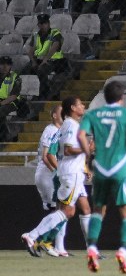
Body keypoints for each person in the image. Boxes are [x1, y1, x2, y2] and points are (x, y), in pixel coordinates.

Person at [77, 81, 126, 274]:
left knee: (98, 211)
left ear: (105, 97)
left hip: (101, 169)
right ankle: (122, 251)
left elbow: (82, 135)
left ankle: (92, 248)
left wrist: (88, 155)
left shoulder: (92, 114)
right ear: (122, 98)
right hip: (122, 170)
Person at [22, 97, 91, 257]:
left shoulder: (68, 125)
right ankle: (32, 236)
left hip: (70, 173)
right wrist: (87, 149)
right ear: (73, 108)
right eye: (80, 104)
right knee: (66, 211)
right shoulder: (70, 126)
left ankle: (48, 243)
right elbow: (68, 150)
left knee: (66, 211)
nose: (83, 106)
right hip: (71, 173)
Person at [32, 104, 64, 256]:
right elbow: (45, 156)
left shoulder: (61, 131)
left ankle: (56, 246)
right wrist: (57, 172)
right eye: (61, 112)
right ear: (54, 116)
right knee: (59, 210)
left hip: (49, 174)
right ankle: (38, 239)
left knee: (58, 210)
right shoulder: (50, 130)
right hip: (46, 174)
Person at [26, 14, 69, 101]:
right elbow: (30, 51)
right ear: (38, 25)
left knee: (41, 70)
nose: (43, 25)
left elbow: (55, 47)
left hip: (54, 60)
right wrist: (33, 62)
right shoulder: (35, 35)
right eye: (41, 23)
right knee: (25, 70)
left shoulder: (55, 33)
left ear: (49, 23)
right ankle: (28, 95)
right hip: (39, 59)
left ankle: (43, 94)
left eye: (45, 23)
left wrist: (45, 59)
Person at [0, 56, 26, 142]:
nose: (5, 66)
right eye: (2, 64)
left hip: (11, 103)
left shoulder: (15, 77)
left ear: (11, 66)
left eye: (7, 64)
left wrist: (1, 103)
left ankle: (5, 136)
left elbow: (14, 96)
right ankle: (5, 136)